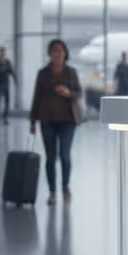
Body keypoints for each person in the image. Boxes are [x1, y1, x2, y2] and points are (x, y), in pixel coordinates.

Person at [29, 40, 82, 206]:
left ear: (65, 53)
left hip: (67, 120)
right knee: (50, 157)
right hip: (47, 119)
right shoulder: (43, 73)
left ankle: (65, 186)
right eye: (54, 51)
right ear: (50, 54)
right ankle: (52, 192)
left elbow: (79, 93)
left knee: (65, 155)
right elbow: (37, 97)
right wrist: (32, 120)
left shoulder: (71, 72)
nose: (57, 54)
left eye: (60, 51)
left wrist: (68, 92)